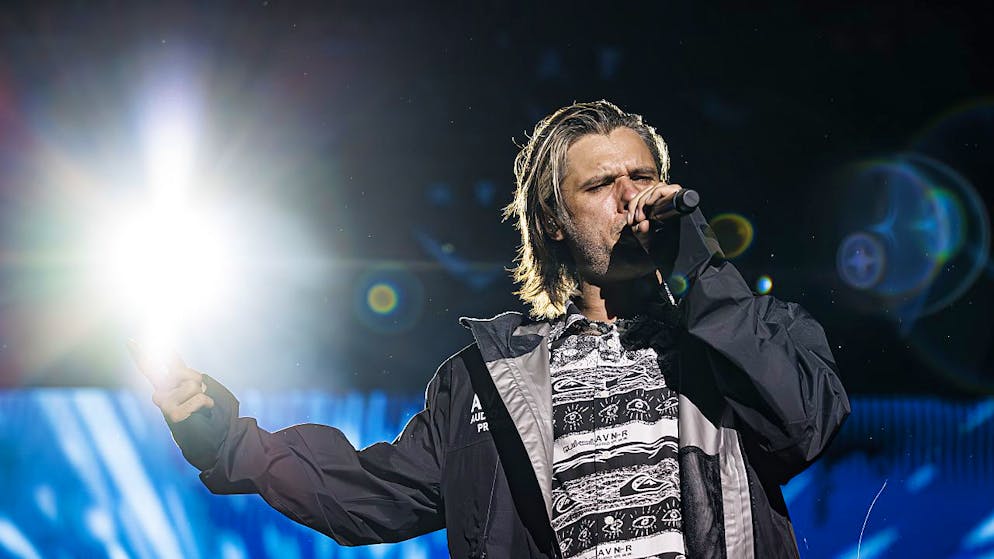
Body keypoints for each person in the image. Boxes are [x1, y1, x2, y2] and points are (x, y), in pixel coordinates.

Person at [132, 100, 850, 559]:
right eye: (601, 185)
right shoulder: (484, 379)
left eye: (642, 175)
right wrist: (226, 440)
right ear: (553, 221)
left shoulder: (741, 331)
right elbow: (370, 493)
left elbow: (800, 424)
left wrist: (693, 263)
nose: (632, 196)